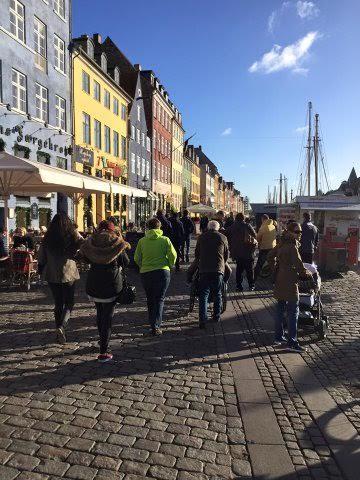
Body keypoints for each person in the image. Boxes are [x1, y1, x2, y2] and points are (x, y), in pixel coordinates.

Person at [80, 220, 130, 362]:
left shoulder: (91, 242)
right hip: (111, 284)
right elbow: (126, 262)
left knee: (100, 312)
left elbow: (85, 258)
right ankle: (104, 350)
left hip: (94, 283)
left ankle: (102, 340)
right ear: (112, 230)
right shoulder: (117, 242)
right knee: (107, 316)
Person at [38, 214, 83, 343]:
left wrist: (41, 268)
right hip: (69, 272)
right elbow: (83, 244)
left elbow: (41, 257)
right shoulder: (72, 236)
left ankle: (58, 328)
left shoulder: (47, 238)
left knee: (58, 302)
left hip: (52, 273)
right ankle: (62, 326)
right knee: (69, 302)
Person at [268, 222, 311, 353]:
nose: (300, 234)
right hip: (290, 280)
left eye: (301, 232)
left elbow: (270, 256)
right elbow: (299, 265)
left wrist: (275, 268)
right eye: (297, 232)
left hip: (280, 278)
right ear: (290, 232)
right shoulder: (292, 246)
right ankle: (292, 342)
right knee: (293, 311)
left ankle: (278, 337)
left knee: (280, 309)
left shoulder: (281, 242)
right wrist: (308, 274)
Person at [134, 218, 177, 335]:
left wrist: (143, 266)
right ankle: (156, 326)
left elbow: (136, 258)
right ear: (159, 227)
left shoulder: (142, 241)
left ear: (148, 227)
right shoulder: (165, 240)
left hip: (146, 273)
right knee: (159, 298)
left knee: (150, 298)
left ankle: (152, 323)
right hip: (162, 272)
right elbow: (173, 255)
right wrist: (169, 265)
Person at [195, 220, 229, 328]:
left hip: (204, 268)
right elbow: (226, 254)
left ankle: (202, 320)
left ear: (208, 227)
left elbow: (197, 253)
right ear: (218, 228)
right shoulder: (223, 237)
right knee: (217, 293)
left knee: (203, 294)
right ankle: (216, 316)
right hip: (218, 269)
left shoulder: (201, 237)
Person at [226, 212, 257, 291]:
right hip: (248, 251)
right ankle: (251, 285)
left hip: (237, 252)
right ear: (243, 218)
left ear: (236, 218)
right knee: (249, 270)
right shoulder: (247, 225)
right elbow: (255, 235)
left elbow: (226, 234)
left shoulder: (233, 226)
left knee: (239, 269)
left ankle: (239, 286)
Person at [254, 215, 277, 281]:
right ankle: (274, 280)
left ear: (263, 219)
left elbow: (258, 238)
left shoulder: (263, 227)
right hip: (273, 247)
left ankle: (254, 279)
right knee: (272, 264)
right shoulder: (273, 226)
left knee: (259, 264)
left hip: (264, 248)